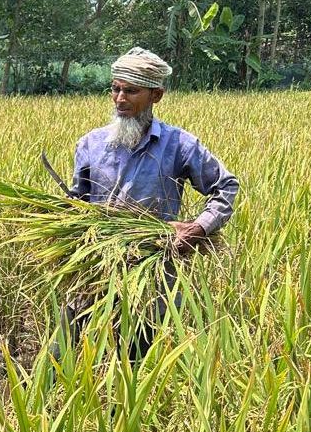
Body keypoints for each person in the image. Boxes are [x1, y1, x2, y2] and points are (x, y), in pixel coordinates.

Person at [62, 47, 239, 356]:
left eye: (131, 91)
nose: (120, 99)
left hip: (150, 275)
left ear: (156, 95)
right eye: (115, 89)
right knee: (62, 350)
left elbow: (225, 186)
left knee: (134, 360)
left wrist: (198, 229)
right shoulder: (90, 144)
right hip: (94, 268)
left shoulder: (180, 145)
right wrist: (64, 213)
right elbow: (78, 198)